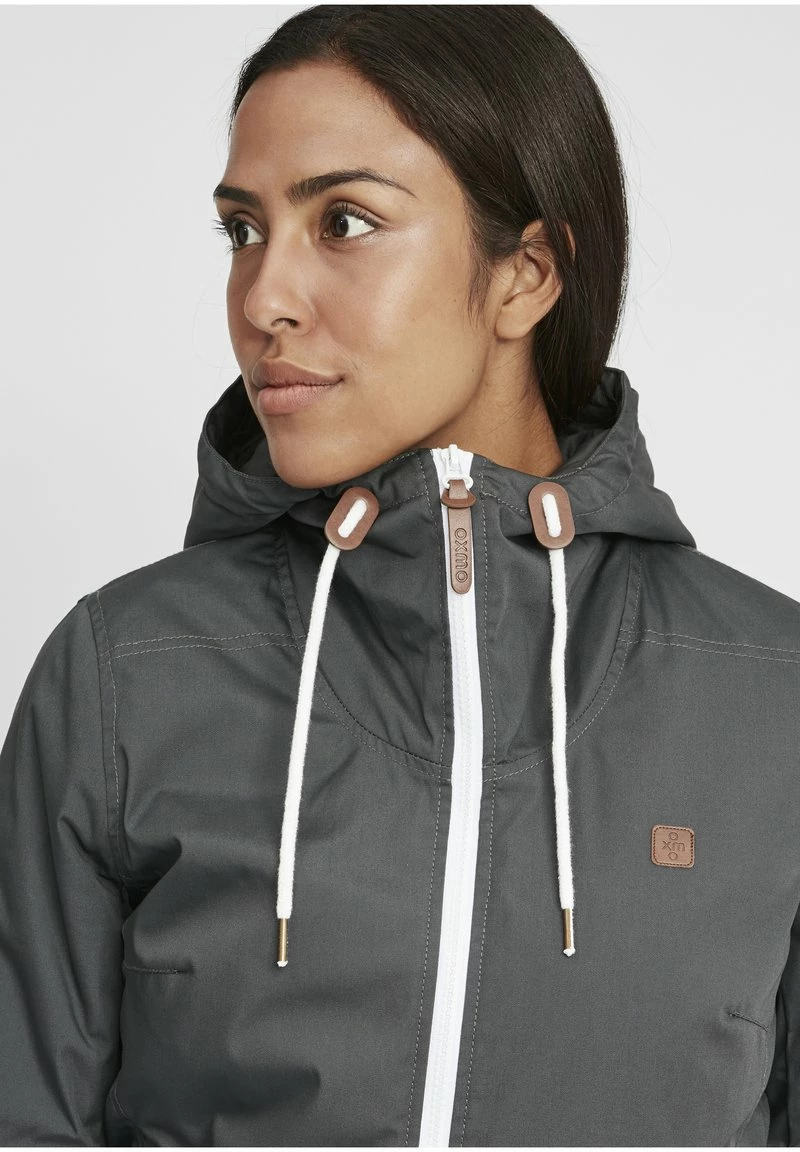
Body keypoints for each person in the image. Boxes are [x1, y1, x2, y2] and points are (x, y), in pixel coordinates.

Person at [1, 5, 798, 1147]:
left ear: (525, 275)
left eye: (343, 221)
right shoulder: (126, 676)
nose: (262, 298)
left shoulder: (771, 694)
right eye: (242, 230)